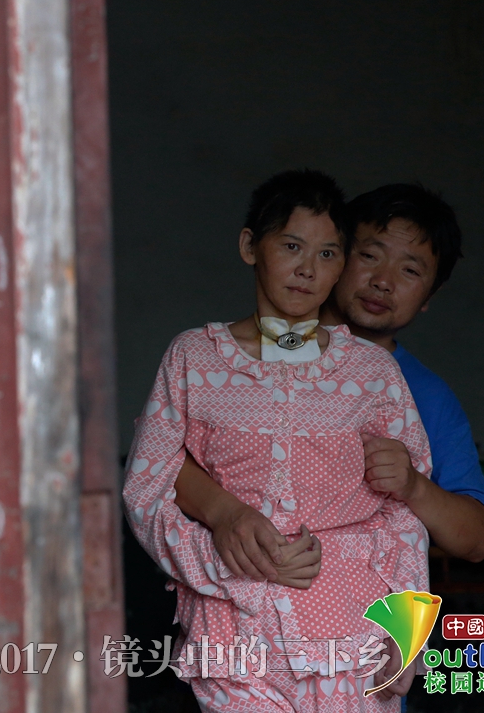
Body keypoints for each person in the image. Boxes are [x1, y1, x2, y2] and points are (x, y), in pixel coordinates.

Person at [173, 183, 484, 701]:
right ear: (339, 257)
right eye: (368, 255)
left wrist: (413, 485)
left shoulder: (428, 396)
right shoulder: (229, 359)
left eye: (410, 270)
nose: (383, 281)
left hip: (357, 657)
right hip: (245, 640)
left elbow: (476, 540)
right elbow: (160, 465)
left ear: (429, 297)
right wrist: (223, 510)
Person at [123, 170, 432, 712]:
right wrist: (220, 562)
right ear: (250, 246)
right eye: (291, 246)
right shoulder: (193, 359)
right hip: (234, 635)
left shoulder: (372, 373)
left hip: (350, 635)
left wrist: (409, 628)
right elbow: (146, 488)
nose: (308, 269)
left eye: (328, 254)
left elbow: (402, 513)